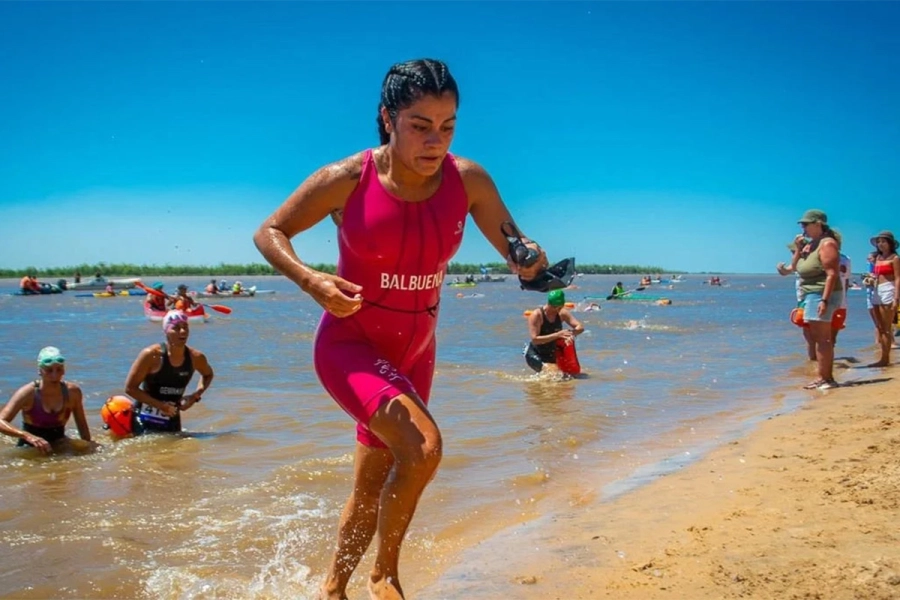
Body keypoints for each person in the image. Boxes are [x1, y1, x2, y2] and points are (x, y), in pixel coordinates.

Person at [253, 58, 555, 600]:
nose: (435, 141)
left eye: (448, 126)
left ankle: (332, 589)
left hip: (417, 350)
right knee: (423, 449)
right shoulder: (349, 179)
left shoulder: (468, 180)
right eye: (420, 125)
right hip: (350, 343)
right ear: (388, 118)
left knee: (374, 480)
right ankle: (384, 578)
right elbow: (270, 231)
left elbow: (515, 246)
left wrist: (529, 259)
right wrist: (310, 281)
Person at [123, 310, 214, 434]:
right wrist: (160, 405)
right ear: (166, 331)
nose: (183, 331)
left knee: (175, 446)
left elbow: (208, 375)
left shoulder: (196, 357)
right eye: (176, 328)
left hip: (172, 418)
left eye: (185, 327)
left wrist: (195, 396)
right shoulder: (151, 355)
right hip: (144, 417)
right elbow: (130, 388)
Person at [0, 347, 95, 454]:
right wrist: (27, 436)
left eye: (59, 369)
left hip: (59, 445)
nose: (55, 375)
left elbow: (82, 426)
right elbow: (1, 421)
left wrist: (88, 448)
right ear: (40, 371)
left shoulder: (72, 392)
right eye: (49, 370)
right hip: (30, 448)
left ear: (64, 370)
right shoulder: (28, 393)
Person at [790, 210, 843, 389]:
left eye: (806, 224)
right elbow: (794, 268)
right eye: (802, 224)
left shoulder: (827, 244)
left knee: (822, 338)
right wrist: (799, 249)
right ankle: (824, 377)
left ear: (818, 224)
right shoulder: (812, 244)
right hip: (811, 294)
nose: (803, 228)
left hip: (821, 294)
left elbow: (832, 274)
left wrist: (824, 300)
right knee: (817, 337)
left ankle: (826, 379)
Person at [524, 290, 584, 373]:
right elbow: (535, 339)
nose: (557, 310)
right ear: (549, 304)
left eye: (560, 307)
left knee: (570, 376)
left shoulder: (562, 313)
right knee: (554, 374)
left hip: (552, 355)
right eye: (554, 307)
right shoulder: (537, 315)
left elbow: (580, 327)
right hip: (535, 354)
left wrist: (570, 334)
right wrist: (558, 335)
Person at [868, 230, 899, 366]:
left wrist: (896, 298)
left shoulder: (895, 258)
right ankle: (883, 357)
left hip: (889, 289)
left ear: (890, 243)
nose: (880, 244)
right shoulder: (878, 258)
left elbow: (898, 278)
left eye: (883, 242)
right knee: (880, 326)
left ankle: (885, 359)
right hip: (877, 289)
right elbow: (876, 274)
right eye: (879, 242)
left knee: (886, 327)